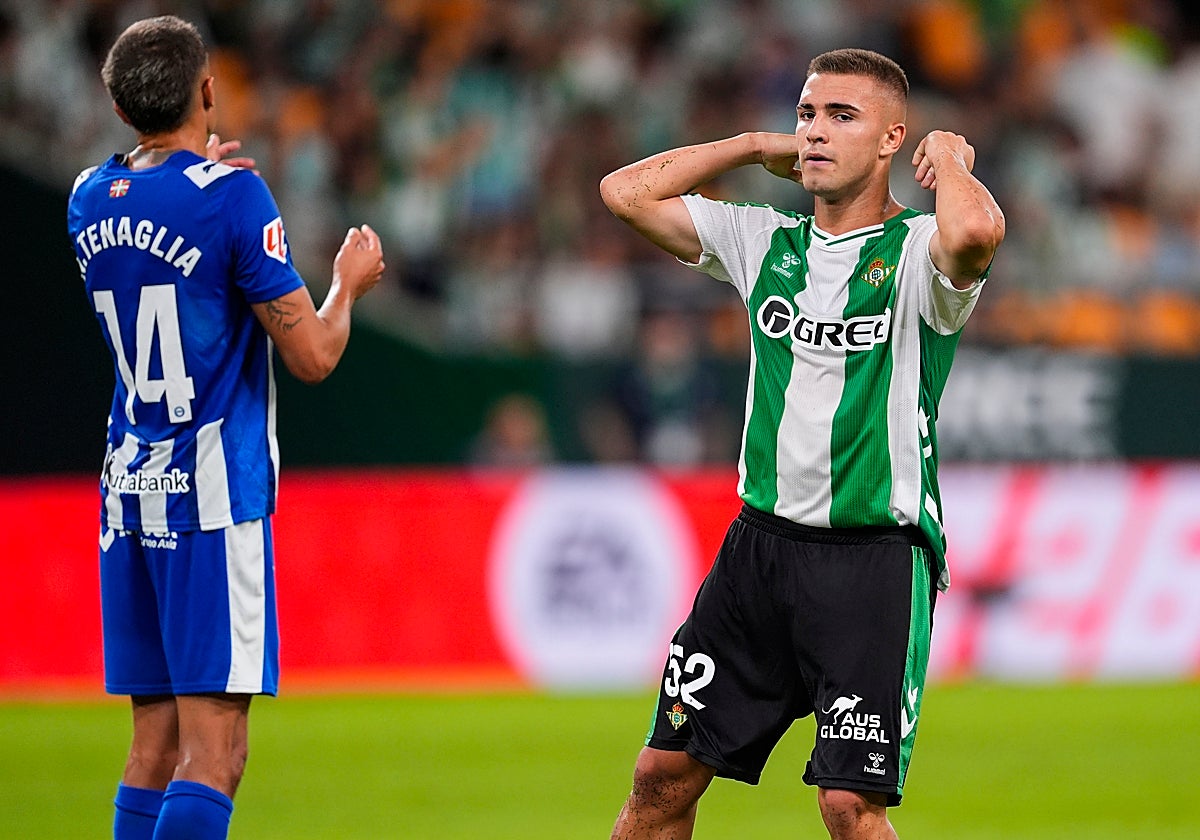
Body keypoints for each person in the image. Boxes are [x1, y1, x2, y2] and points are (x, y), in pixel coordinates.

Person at [598, 48, 1004, 839]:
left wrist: (951, 159)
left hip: (872, 561)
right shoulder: (764, 242)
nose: (815, 133)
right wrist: (754, 147)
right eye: (807, 116)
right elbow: (625, 193)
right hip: (758, 552)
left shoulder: (916, 256)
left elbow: (978, 230)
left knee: (849, 807)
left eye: (841, 117)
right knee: (660, 780)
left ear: (893, 139)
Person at [66, 16, 385, 840]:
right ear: (209, 90)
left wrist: (190, 181)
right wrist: (347, 284)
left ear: (118, 106)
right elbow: (312, 356)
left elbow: (158, 217)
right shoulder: (236, 196)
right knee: (215, 753)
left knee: (152, 744)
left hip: (129, 491)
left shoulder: (84, 198)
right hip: (210, 495)